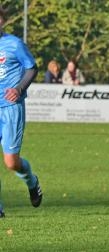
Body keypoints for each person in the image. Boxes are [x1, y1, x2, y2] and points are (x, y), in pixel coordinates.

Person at [0, 7, 43, 218]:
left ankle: (32, 181)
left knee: (11, 163)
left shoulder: (14, 44)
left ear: (2, 21)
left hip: (10, 108)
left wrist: (18, 89)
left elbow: (32, 68)